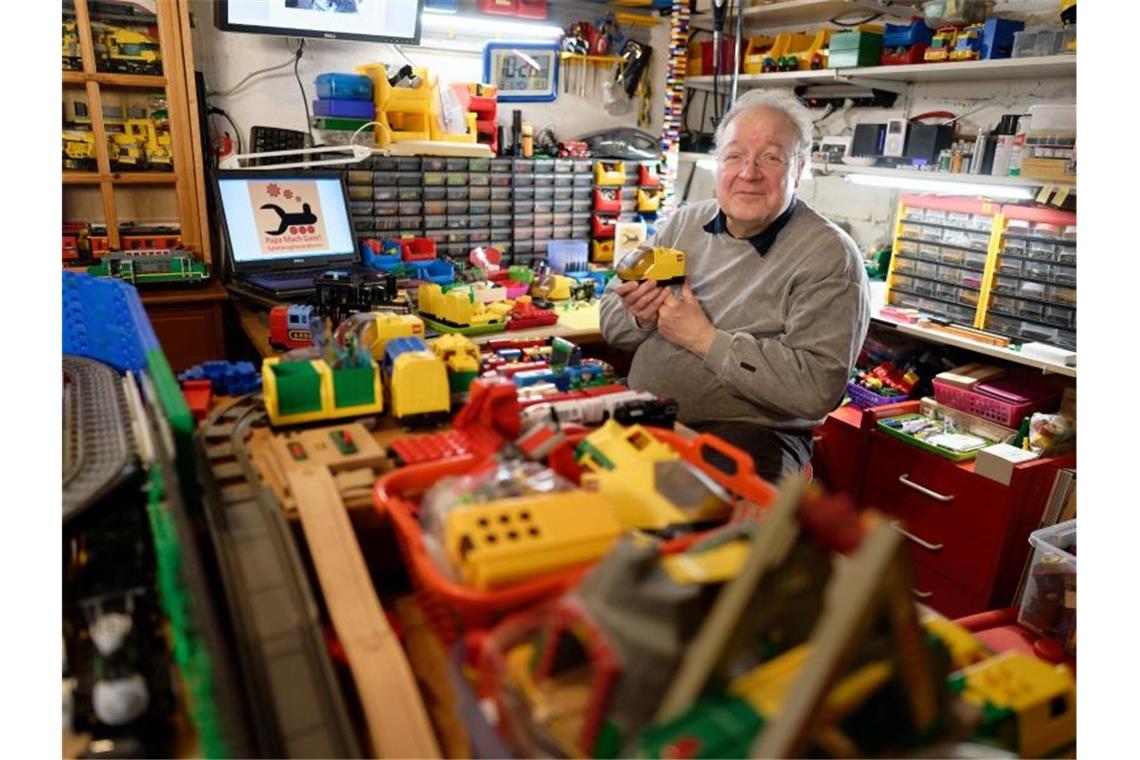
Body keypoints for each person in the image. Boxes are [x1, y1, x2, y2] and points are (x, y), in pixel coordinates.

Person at [599, 90, 870, 481]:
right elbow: (611, 317)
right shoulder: (683, 223)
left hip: (753, 435)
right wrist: (638, 317)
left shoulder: (828, 256)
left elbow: (816, 388)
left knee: (700, 527)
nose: (749, 173)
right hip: (647, 414)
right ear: (717, 163)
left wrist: (705, 340)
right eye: (735, 156)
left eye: (771, 158)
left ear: (800, 169)